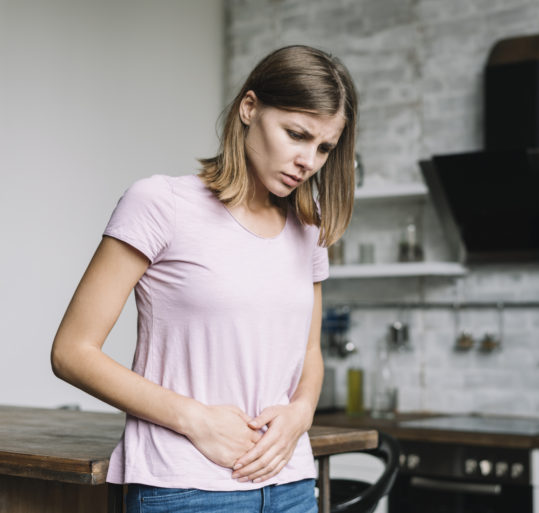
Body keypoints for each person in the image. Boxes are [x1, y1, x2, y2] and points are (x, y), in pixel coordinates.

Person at [50, 45, 357, 513]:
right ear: (249, 108)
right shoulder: (161, 204)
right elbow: (72, 352)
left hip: (292, 483)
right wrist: (195, 419)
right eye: (296, 135)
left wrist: (300, 414)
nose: (308, 161)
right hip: (185, 487)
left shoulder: (309, 227)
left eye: (324, 147)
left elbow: (308, 352)